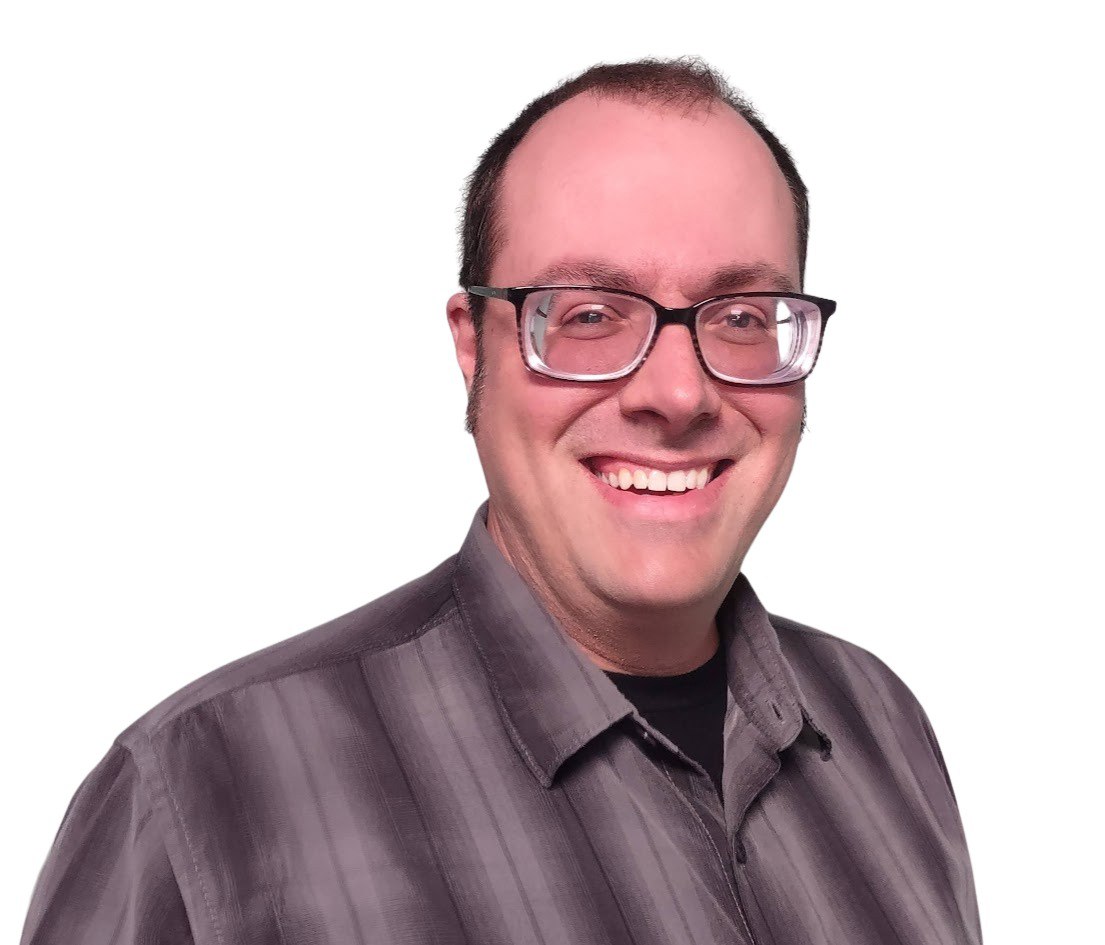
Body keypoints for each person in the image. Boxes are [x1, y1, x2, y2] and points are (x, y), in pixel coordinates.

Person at [21, 57, 983, 945]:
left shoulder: (879, 728)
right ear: (472, 348)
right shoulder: (205, 786)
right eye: (590, 316)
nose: (678, 394)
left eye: (739, 319)